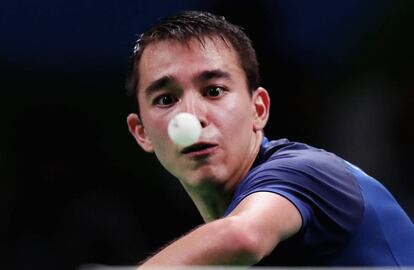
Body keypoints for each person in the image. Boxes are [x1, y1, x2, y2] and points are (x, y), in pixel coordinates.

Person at [125, 10, 414, 267]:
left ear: (258, 109)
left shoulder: (305, 173)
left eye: (214, 91)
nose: (190, 117)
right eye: (165, 99)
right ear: (142, 133)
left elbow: (240, 236)